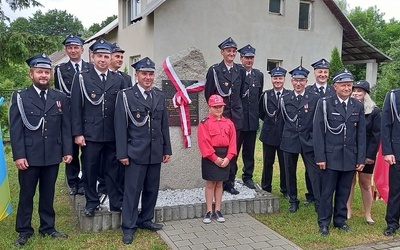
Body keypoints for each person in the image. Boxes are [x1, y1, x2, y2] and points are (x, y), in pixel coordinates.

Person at [9, 53, 72, 246]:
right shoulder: (21, 97)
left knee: (48, 193)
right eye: (39, 72)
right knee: (26, 194)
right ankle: (24, 230)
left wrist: (67, 151)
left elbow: (65, 127)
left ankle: (47, 227)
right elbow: (16, 129)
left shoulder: (59, 97)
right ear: (31, 74)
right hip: (29, 156)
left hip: (52, 155)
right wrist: (19, 155)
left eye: (46, 72)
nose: (43, 75)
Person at [115, 57, 172, 244]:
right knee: (132, 191)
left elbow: (164, 125)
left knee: (151, 189)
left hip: (155, 151)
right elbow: (120, 127)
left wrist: (167, 149)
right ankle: (128, 227)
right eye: (144, 74)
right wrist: (122, 153)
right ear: (136, 75)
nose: (147, 77)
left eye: (150, 74)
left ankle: (146, 219)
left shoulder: (159, 95)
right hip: (135, 152)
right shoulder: (126, 95)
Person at [71, 38, 128, 217]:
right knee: (90, 169)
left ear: (110, 57)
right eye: (99, 56)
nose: (102, 60)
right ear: (92, 57)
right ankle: (92, 202)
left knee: (113, 170)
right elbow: (75, 107)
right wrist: (78, 133)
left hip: (112, 134)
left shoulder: (117, 79)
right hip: (90, 134)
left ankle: (116, 202)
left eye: (106, 56)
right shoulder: (82, 78)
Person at [313, 69, 366, 236]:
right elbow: (318, 132)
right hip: (330, 157)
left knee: (344, 191)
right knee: (327, 192)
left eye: (349, 85)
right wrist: (320, 157)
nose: (347, 88)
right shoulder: (325, 103)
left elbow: (361, 134)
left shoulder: (357, 105)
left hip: (349, 157)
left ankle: (340, 221)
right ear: (335, 86)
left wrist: (361, 158)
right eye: (343, 85)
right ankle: (323, 223)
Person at [204, 37, 245, 195]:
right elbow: (209, 94)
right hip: (221, 118)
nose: (232, 53)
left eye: (234, 51)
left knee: (233, 152)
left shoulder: (239, 70)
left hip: (236, 118)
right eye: (228, 50)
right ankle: (217, 180)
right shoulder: (215, 70)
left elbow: (240, 94)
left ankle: (230, 182)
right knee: (219, 150)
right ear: (222, 52)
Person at [54, 34, 91, 196]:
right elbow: (60, 95)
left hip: (88, 115)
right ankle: (73, 182)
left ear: (82, 49)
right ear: (66, 50)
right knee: (71, 150)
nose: (73, 50)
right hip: (69, 116)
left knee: (88, 152)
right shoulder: (60, 70)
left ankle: (85, 182)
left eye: (76, 47)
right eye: (70, 48)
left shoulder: (90, 68)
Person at [280, 65, 320, 213]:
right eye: (296, 80)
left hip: (308, 141)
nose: (298, 83)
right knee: (290, 172)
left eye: (301, 80)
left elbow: (317, 122)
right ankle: (293, 200)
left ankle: (318, 201)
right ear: (291, 81)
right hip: (290, 140)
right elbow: (282, 120)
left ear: (306, 81)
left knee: (314, 173)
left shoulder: (314, 98)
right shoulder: (285, 98)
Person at [198, 94, 237, 224]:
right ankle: (209, 210)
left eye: (220, 107)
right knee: (210, 184)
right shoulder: (205, 123)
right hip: (211, 157)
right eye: (215, 107)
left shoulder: (229, 123)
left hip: (225, 156)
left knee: (220, 183)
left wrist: (228, 158)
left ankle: (218, 210)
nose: (218, 109)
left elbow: (233, 143)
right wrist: (214, 158)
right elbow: (204, 143)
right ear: (209, 107)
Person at [346, 80, 381, 224]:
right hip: (349, 152)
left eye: (359, 91)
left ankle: (368, 214)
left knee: (365, 184)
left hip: (366, 153)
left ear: (365, 93)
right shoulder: (347, 107)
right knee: (349, 182)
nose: (356, 93)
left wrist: (369, 156)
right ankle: (347, 210)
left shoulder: (374, 111)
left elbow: (376, 135)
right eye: (354, 90)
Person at [303, 58, 335, 205]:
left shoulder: (333, 91)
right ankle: (311, 195)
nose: (322, 74)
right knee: (310, 169)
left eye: (325, 72)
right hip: (310, 135)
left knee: (326, 167)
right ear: (314, 73)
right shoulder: (308, 91)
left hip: (329, 136)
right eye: (320, 71)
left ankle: (323, 195)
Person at [237, 44, 263, 189]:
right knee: (234, 151)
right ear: (241, 58)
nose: (249, 60)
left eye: (251, 58)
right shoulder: (236, 73)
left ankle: (248, 177)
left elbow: (258, 97)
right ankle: (230, 177)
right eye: (246, 57)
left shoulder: (258, 75)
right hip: (238, 120)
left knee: (249, 151)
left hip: (251, 120)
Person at [259, 66, 289, 196]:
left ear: (284, 79)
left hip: (284, 135)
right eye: (275, 78)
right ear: (272, 79)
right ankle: (266, 187)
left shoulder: (289, 95)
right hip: (269, 134)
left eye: (280, 78)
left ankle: (285, 189)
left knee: (285, 164)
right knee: (267, 162)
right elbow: (261, 112)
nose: (277, 80)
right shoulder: (266, 95)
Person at [381, 87, 400, 236]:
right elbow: (385, 125)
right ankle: (392, 223)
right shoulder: (393, 96)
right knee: (396, 190)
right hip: (397, 152)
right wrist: (387, 151)